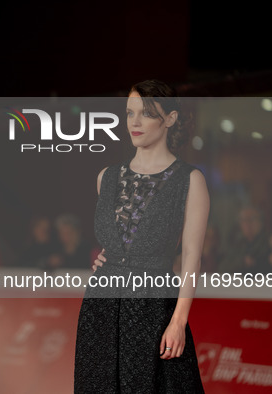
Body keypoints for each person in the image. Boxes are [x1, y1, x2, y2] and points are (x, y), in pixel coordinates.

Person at [74, 80, 208, 393]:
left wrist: (178, 321)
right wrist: (108, 259)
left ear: (170, 119)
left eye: (146, 113)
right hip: (101, 307)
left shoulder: (190, 180)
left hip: (152, 307)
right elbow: (117, 242)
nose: (134, 122)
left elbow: (191, 256)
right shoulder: (105, 177)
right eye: (129, 113)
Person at [216, 206, 271, 274]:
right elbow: (222, 267)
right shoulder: (238, 244)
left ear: (261, 222)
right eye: (244, 220)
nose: (247, 223)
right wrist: (242, 262)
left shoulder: (270, 241)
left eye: (252, 219)